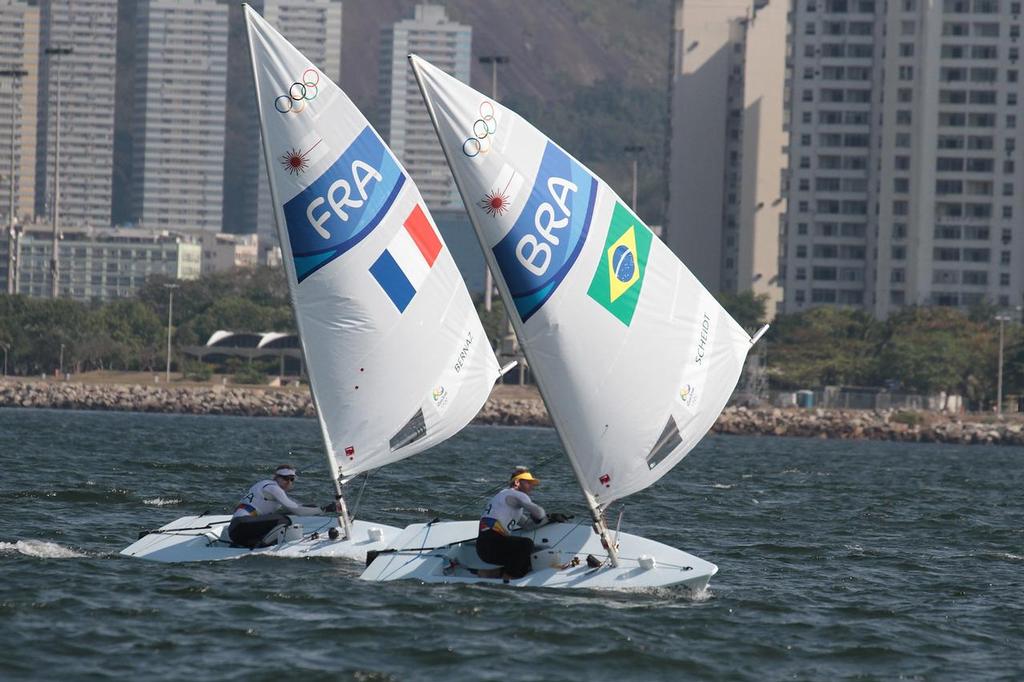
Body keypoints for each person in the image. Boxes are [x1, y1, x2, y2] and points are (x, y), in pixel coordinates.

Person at [475, 467, 569, 579]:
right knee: (526, 544)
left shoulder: (505, 501)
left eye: (532, 483)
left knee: (527, 558)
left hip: (484, 549)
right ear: (517, 482)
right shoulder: (514, 494)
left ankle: (489, 574)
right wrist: (546, 516)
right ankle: (507, 577)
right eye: (528, 482)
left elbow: (527, 525)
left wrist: (550, 519)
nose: (531, 486)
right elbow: (539, 513)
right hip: (492, 543)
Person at [227, 464, 338, 548]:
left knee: (285, 515)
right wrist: (325, 509)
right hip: (240, 527)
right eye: (285, 478)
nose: (288, 482)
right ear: (276, 477)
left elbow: (297, 506)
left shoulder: (267, 485)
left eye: (292, 479)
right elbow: (298, 511)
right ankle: (263, 545)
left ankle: (253, 542)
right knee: (284, 520)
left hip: (238, 530)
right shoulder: (273, 488)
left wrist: (320, 508)